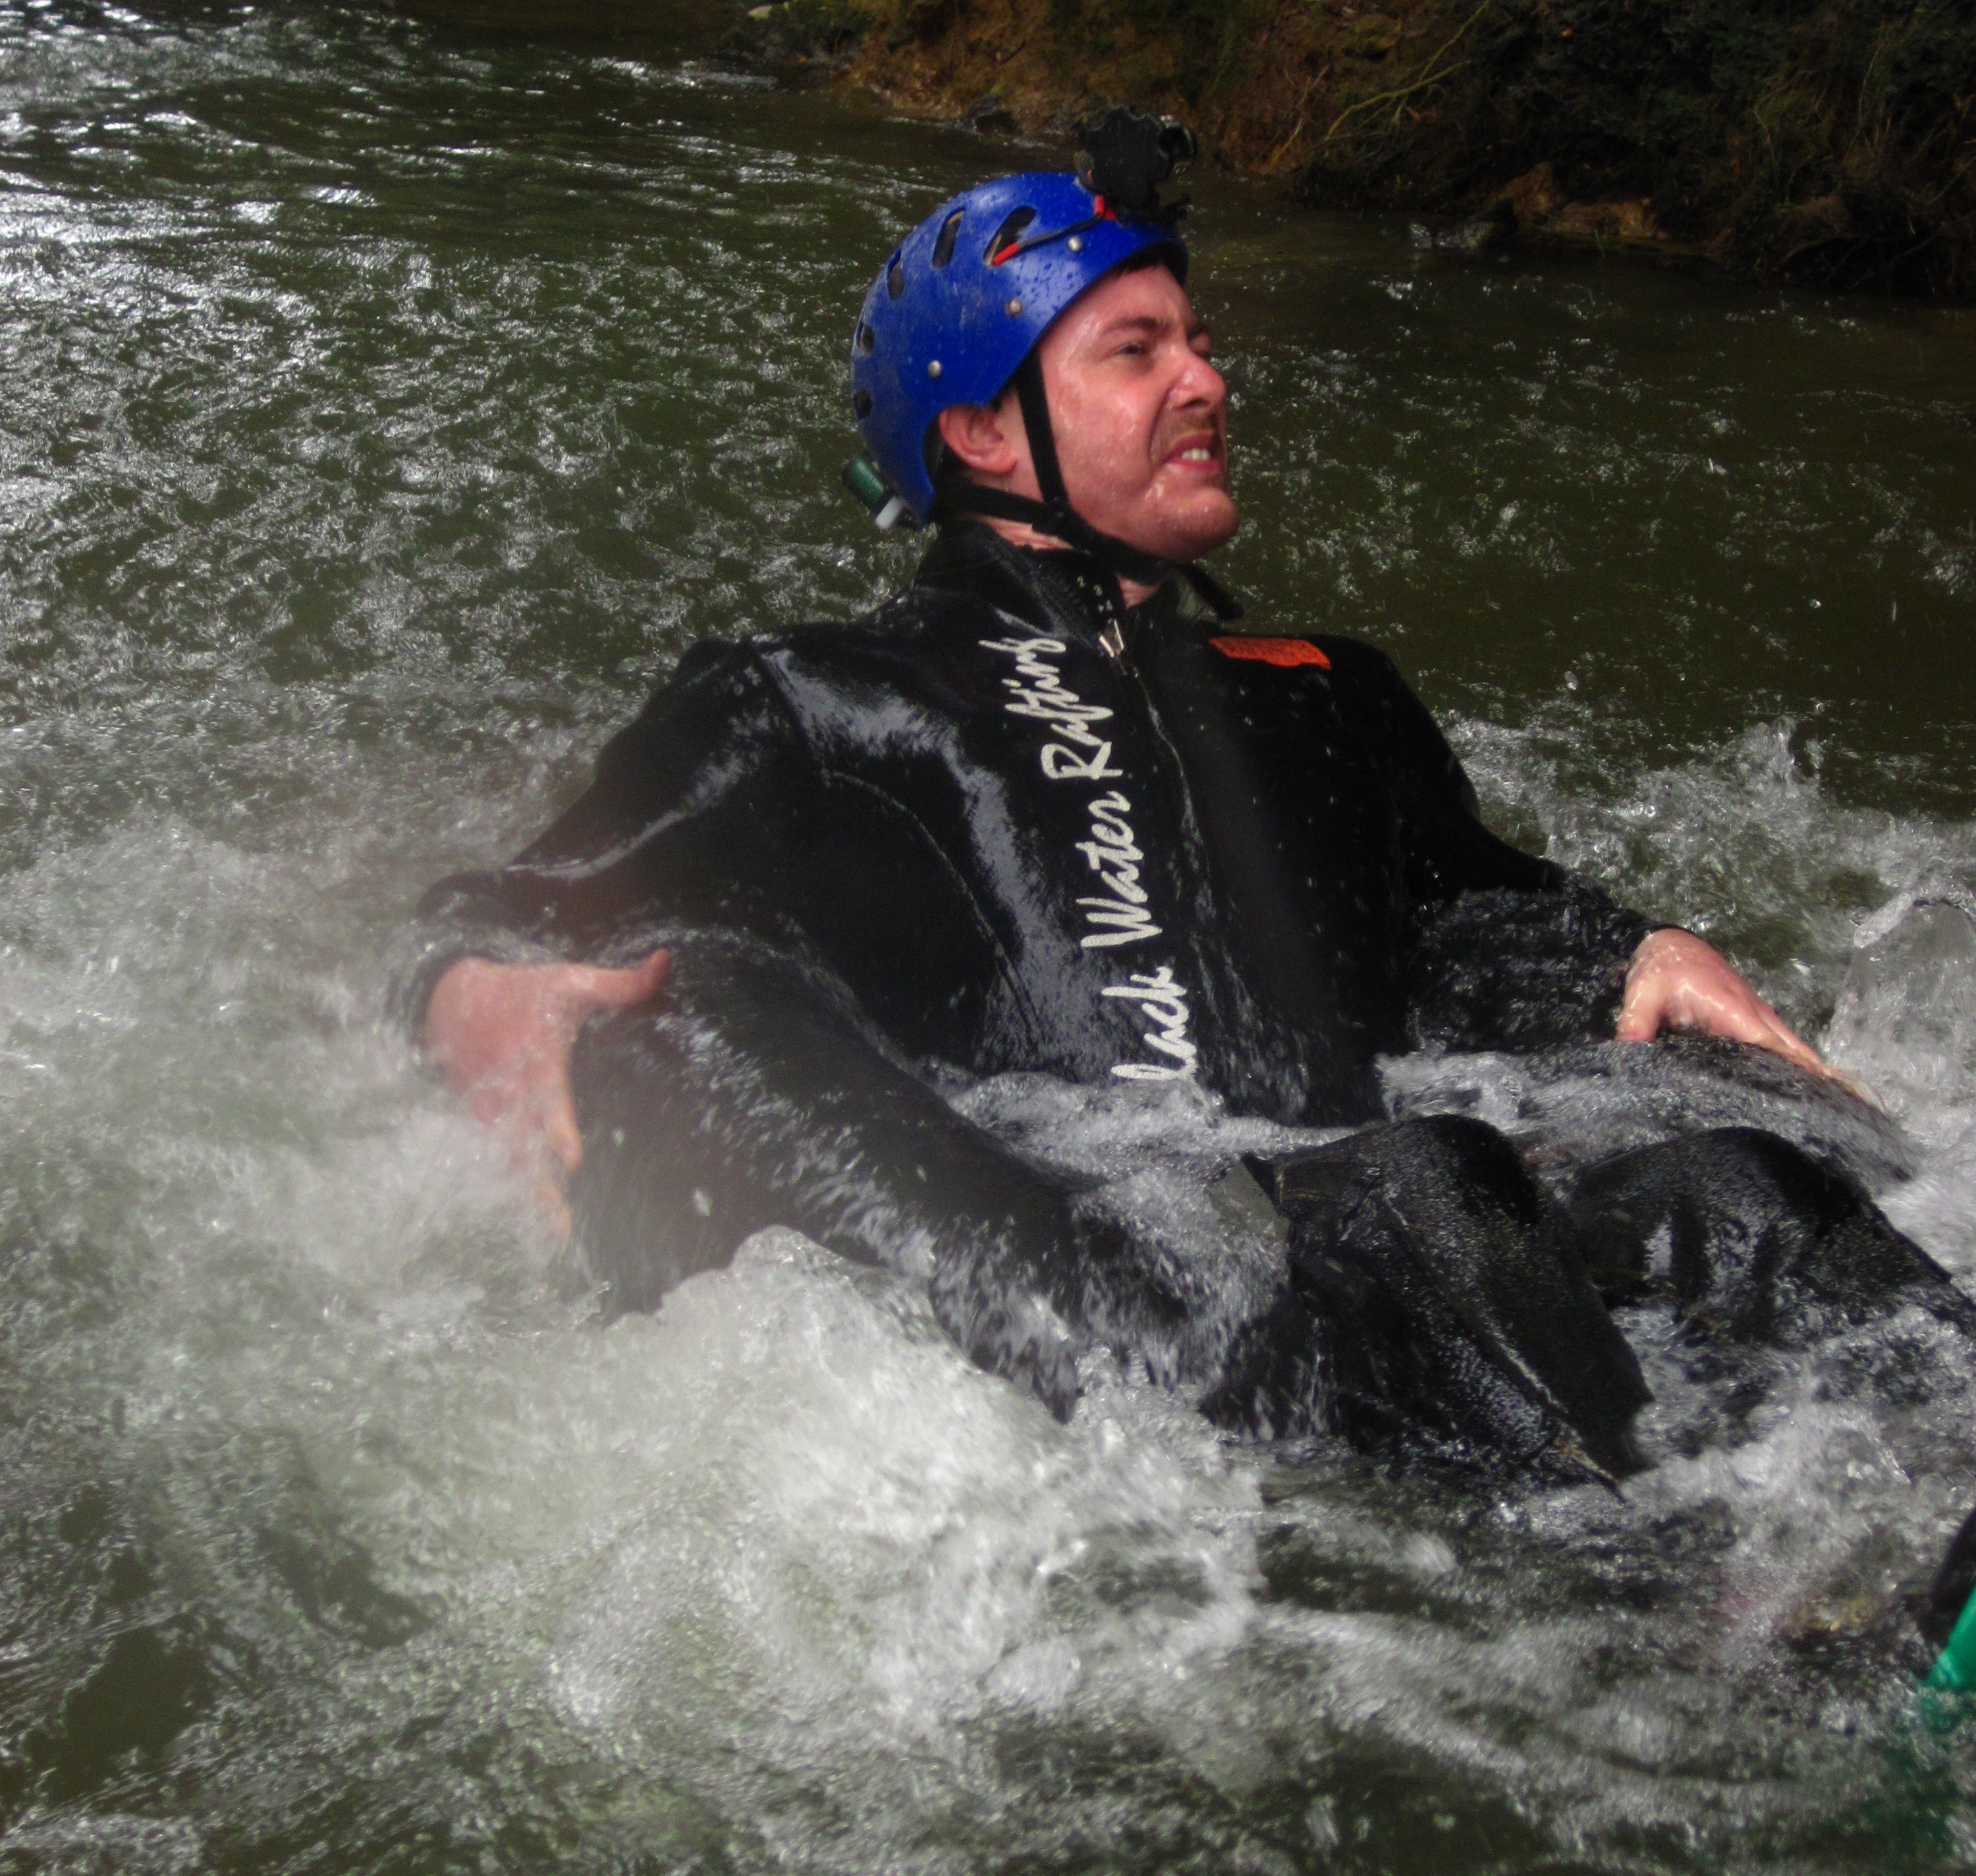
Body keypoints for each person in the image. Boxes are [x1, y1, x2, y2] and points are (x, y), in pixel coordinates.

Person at [397, 111, 1969, 1492]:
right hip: (1125, 1286)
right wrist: (465, 982)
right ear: (981, 429)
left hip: (1409, 1243)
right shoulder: (811, 693)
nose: (1207, 379)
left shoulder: (1325, 686)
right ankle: (1717, 1610)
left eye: (1198, 342)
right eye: (1135, 351)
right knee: (1419, 1188)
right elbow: (524, 905)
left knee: (1744, 1187)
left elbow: (1466, 915)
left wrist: (1628, 948)